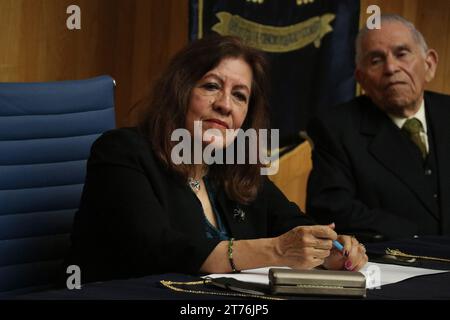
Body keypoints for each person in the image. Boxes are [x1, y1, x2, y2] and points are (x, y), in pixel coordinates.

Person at [66, 35, 367, 284]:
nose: (225, 105)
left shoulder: (235, 167)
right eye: (211, 86)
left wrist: (328, 249)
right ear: (179, 92)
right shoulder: (122, 151)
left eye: (239, 95)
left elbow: (290, 224)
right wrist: (276, 250)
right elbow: (156, 250)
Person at [306, 14, 450, 240]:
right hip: (392, 264)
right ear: (361, 79)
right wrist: (418, 237)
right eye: (376, 60)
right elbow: (331, 210)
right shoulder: (336, 129)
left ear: (429, 64)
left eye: (402, 54)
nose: (391, 68)